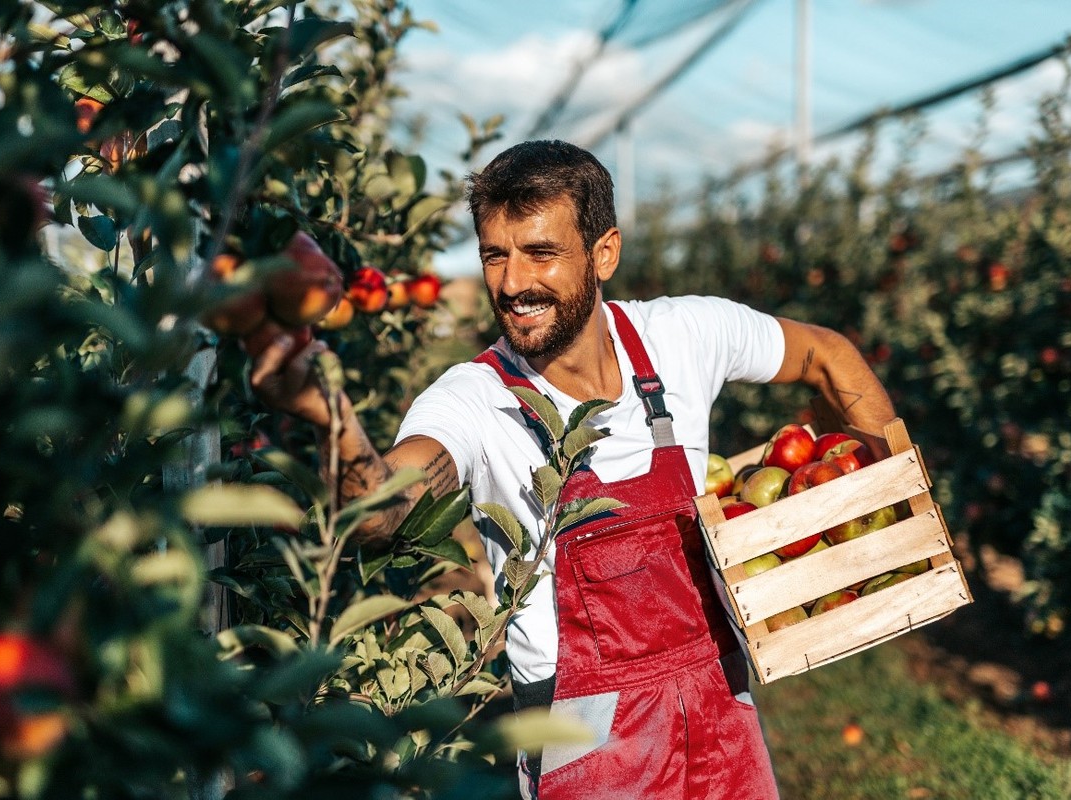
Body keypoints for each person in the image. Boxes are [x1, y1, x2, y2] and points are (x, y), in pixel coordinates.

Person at [251, 140, 896, 799]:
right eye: (494, 255)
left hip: (723, 714)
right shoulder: (473, 399)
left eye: (540, 253)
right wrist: (332, 417)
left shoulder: (683, 336)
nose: (510, 283)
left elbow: (827, 355)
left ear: (604, 253)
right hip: (588, 752)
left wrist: (885, 500)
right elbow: (385, 510)